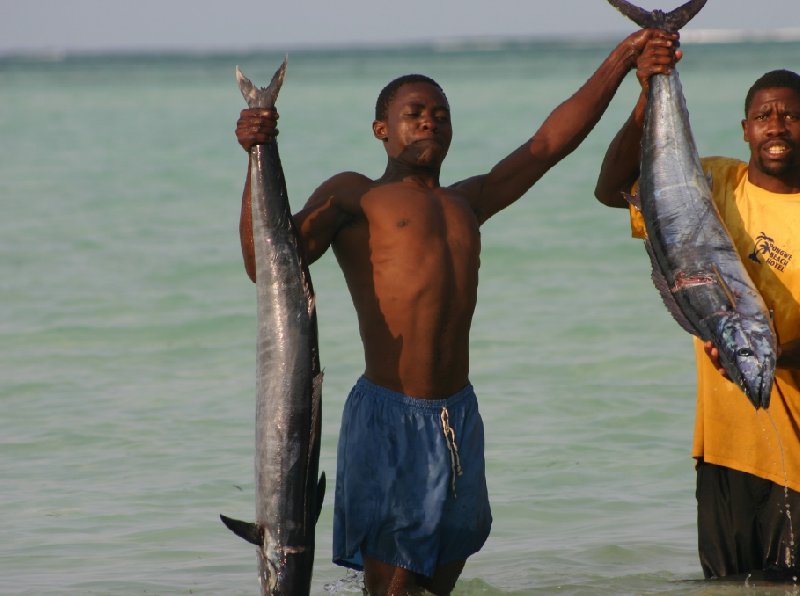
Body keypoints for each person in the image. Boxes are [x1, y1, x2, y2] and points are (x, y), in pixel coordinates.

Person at [236, 29, 676, 595]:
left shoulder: (468, 201)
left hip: (457, 415)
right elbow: (263, 264)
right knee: (391, 588)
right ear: (381, 130)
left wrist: (624, 61)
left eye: (440, 115)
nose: (429, 122)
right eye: (413, 113)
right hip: (389, 416)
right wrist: (255, 151)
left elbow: (548, 144)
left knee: (439, 577)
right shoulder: (355, 195)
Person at [594, 42, 800, 580]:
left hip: (797, 460)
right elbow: (612, 189)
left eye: (792, 115)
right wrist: (648, 93)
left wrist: (767, 355)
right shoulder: (710, 182)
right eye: (764, 116)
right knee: (725, 588)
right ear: (745, 128)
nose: (777, 126)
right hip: (723, 451)